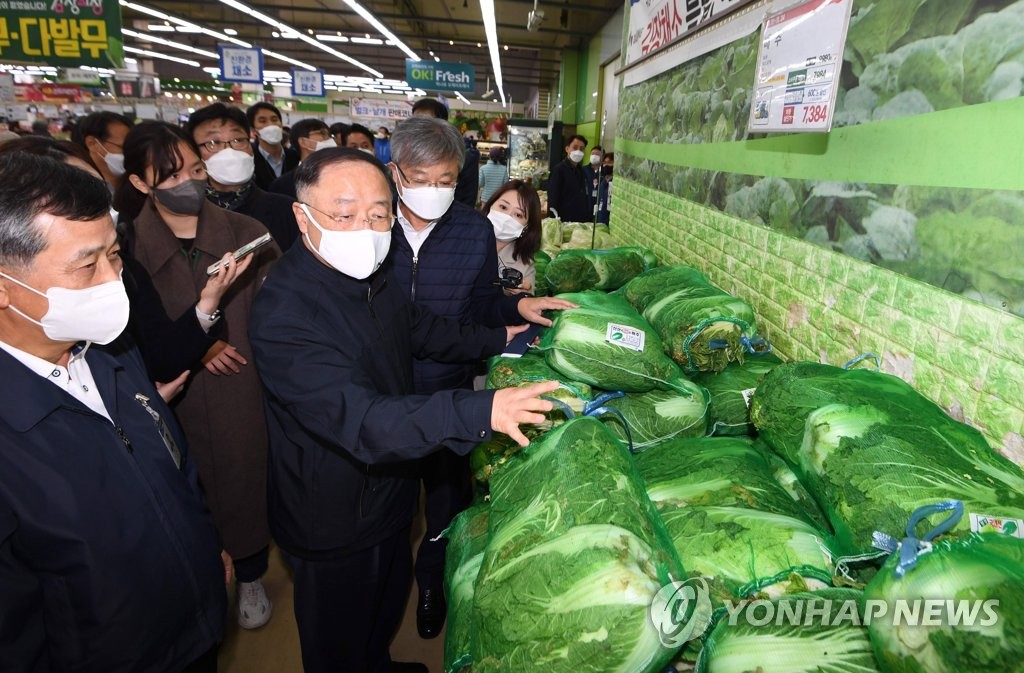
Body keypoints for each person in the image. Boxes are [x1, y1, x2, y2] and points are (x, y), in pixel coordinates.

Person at [249, 146, 558, 673]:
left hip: (389, 489)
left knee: (385, 606)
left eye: (377, 214)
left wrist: (506, 323)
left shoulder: (375, 276)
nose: (366, 229)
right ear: (302, 217)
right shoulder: (285, 309)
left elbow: (425, 329)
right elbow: (361, 419)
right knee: (339, 640)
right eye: (344, 215)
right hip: (332, 509)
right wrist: (477, 411)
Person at [0, 152, 228, 672]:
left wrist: (203, 542)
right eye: (87, 266)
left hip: (192, 627)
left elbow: (173, 460)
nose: (114, 280)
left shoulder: (109, 348)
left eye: (115, 256)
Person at [387, 115, 574, 640]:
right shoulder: (372, 228)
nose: (433, 191)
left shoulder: (470, 230)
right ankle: (387, 590)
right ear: (395, 173)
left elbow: (480, 305)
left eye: (446, 180)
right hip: (383, 387)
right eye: (420, 179)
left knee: (445, 499)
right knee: (390, 502)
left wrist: (519, 303)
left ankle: (431, 586)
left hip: (450, 385)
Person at [115, 121, 281, 631]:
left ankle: (251, 571)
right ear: (141, 184)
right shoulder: (125, 248)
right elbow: (128, 329)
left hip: (243, 382)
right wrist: (198, 342)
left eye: (193, 169)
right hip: (170, 392)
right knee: (185, 488)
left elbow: (278, 308)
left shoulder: (246, 234)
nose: (188, 182)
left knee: (243, 477)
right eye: (168, 176)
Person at [189, 102, 299, 251]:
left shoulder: (287, 210)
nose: (229, 151)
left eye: (238, 140)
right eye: (214, 142)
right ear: (194, 153)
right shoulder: (187, 215)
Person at [411, 97, 479, 208]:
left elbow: (467, 201)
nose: (419, 127)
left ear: (442, 124)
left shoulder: (464, 158)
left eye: (426, 122)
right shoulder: (405, 155)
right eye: (415, 121)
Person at [482, 179, 543, 292]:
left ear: (526, 228)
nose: (507, 217)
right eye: (503, 207)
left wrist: (521, 296)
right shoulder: (461, 238)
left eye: (518, 215)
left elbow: (526, 299)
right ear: (491, 204)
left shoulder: (524, 267)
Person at [268, 118, 335, 200]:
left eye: (329, 135)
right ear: (303, 141)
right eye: (322, 133)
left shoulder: (340, 174)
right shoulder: (282, 185)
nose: (329, 139)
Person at [71, 110, 133, 193]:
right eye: (123, 147)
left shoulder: (135, 183)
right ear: (92, 143)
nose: (129, 153)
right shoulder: (80, 190)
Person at [246, 102, 298, 190]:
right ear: (253, 130)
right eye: (262, 121)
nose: (271, 124)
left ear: (281, 124)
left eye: (274, 120)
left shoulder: (295, 156)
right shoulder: (248, 159)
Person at [546, 134, 591, 222]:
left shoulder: (581, 171)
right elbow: (553, 199)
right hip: (563, 221)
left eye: (581, 149)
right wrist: (553, 221)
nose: (578, 151)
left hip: (578, 222)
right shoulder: (559, 170)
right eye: (575, 147)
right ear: (567, 149)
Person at [582, 145, 604, 218]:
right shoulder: (583, 170)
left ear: (602, 157)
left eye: (597, 154)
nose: (594, 156)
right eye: (592, 154)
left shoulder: (604, 171)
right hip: (586, 204)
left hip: (599, 205)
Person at [597, 151, 614, 224]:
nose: (606, 165)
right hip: (600, 220)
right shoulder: (602, 182)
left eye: (610, 162)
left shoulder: (615, 183)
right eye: (604, 163)